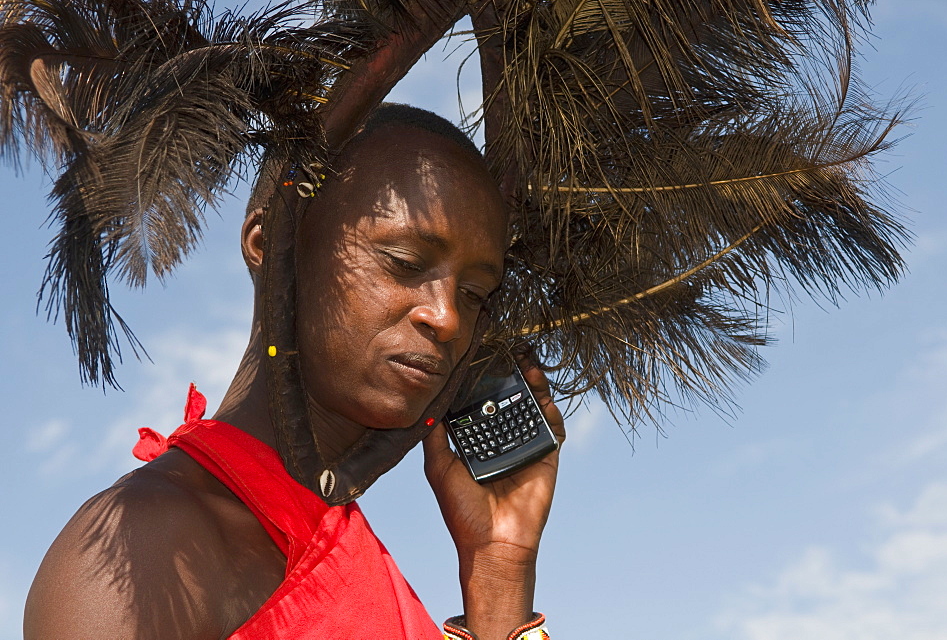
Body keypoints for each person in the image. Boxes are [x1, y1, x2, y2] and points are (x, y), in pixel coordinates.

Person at [23, 104, 565, 640]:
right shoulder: (148, 543)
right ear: (271, 243)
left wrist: (498, 566)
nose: (446, 316)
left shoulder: (340, 537)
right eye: (403, 262)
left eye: (473, 294)